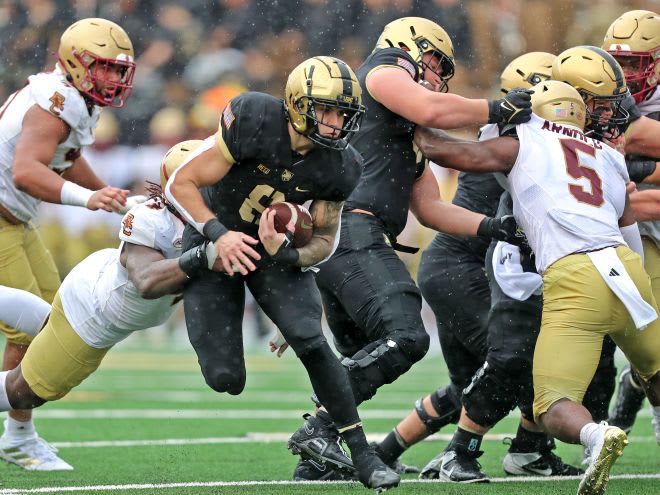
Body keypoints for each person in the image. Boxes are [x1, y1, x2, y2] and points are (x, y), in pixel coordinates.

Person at [286, 16, 533, 480]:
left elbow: (432, 211)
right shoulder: (382, 70)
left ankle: (317, 461)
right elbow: (436, 109)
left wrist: (495, 227)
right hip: (350, 230)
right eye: (437, 61)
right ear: (409, 46)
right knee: (407, 335)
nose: (439, 75)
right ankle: (319, 428)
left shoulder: (399, 131)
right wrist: (497, 109)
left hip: (348, 238)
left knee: (366, 352)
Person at [165, 56, 401, 491]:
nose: (335, 123)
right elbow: (180, 183)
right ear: (295, 103)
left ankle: (363, 453)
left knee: (309, 336)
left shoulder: (341, 164)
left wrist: (289, 258)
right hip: (216, 243)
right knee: (225, 378)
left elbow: (324, 240)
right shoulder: (254, 118)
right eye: (326, 110)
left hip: (272, 256)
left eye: (343, 114)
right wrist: (218, 236)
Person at [414, 79, 660, 495]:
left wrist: (413, 126)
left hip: (575, 276)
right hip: (625, 268)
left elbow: (452, 153)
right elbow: (627, 226)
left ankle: (597, 436)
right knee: (655, 368)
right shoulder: (606, 154)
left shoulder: (525, 138)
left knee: (553, 405)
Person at [375, 51, 580, 482]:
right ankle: (494, 453)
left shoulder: (524, 135)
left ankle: (385, 449)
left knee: (472, 383)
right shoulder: (518, 137)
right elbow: (449, 150)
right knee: (515, 362)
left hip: (459, 266)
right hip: (462, 264)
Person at [0, 140, 207, 470]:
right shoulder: (156, 221)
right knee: (27, 391)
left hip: (95, 287)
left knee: (50, 326)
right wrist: (205, 256)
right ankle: (17, 439)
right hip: (95, 316)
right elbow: (149, 281)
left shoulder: (203, 220)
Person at [0, 17, 136, 471]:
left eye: (121, 70)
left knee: (49, 320)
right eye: (106, 68)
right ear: (77, 64)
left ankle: (19, 434)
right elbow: (27, 170)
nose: (116, 79)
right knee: (33, 329)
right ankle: (17, 436)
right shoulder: (53, 101)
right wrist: (89, 199)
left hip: (15, 221)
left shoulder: (73, 98)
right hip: (2, 219)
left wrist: (113, 199)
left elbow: (65, 158)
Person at [601, 10, 660, 444]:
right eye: (619, 62)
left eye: (637, 62)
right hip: (639, 223)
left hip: (640, 204)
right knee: (650, 329)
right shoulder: (601, 89)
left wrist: (632, 166)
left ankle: (631, 386)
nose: (626, 74)